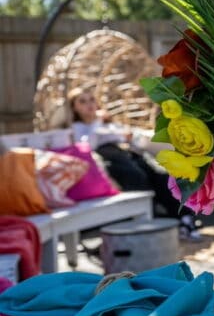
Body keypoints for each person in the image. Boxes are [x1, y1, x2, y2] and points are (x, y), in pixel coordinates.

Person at [67, 87, 201, 240]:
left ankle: (184, 219)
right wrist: (97, 122)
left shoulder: (107, 123)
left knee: (162, 178)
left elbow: (129, 139)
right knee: (138, 179)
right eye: (82, 101)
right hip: (109, 162)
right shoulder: (78, 128)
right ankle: (157, 224)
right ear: (75, 107)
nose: (89, 104)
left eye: (91, 99)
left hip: (130, 156)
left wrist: (128, 138)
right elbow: (87, 146)